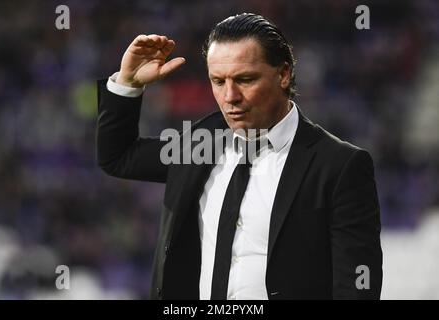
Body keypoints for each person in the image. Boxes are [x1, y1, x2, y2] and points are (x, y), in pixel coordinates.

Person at [96, 13, 383, 300]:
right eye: (218, 81)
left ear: (283, 75)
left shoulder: (338, 165)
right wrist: (128, 83)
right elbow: (118, 156)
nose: (230, 96)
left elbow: (356, 288)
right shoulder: (200, 142)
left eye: (245, 79)